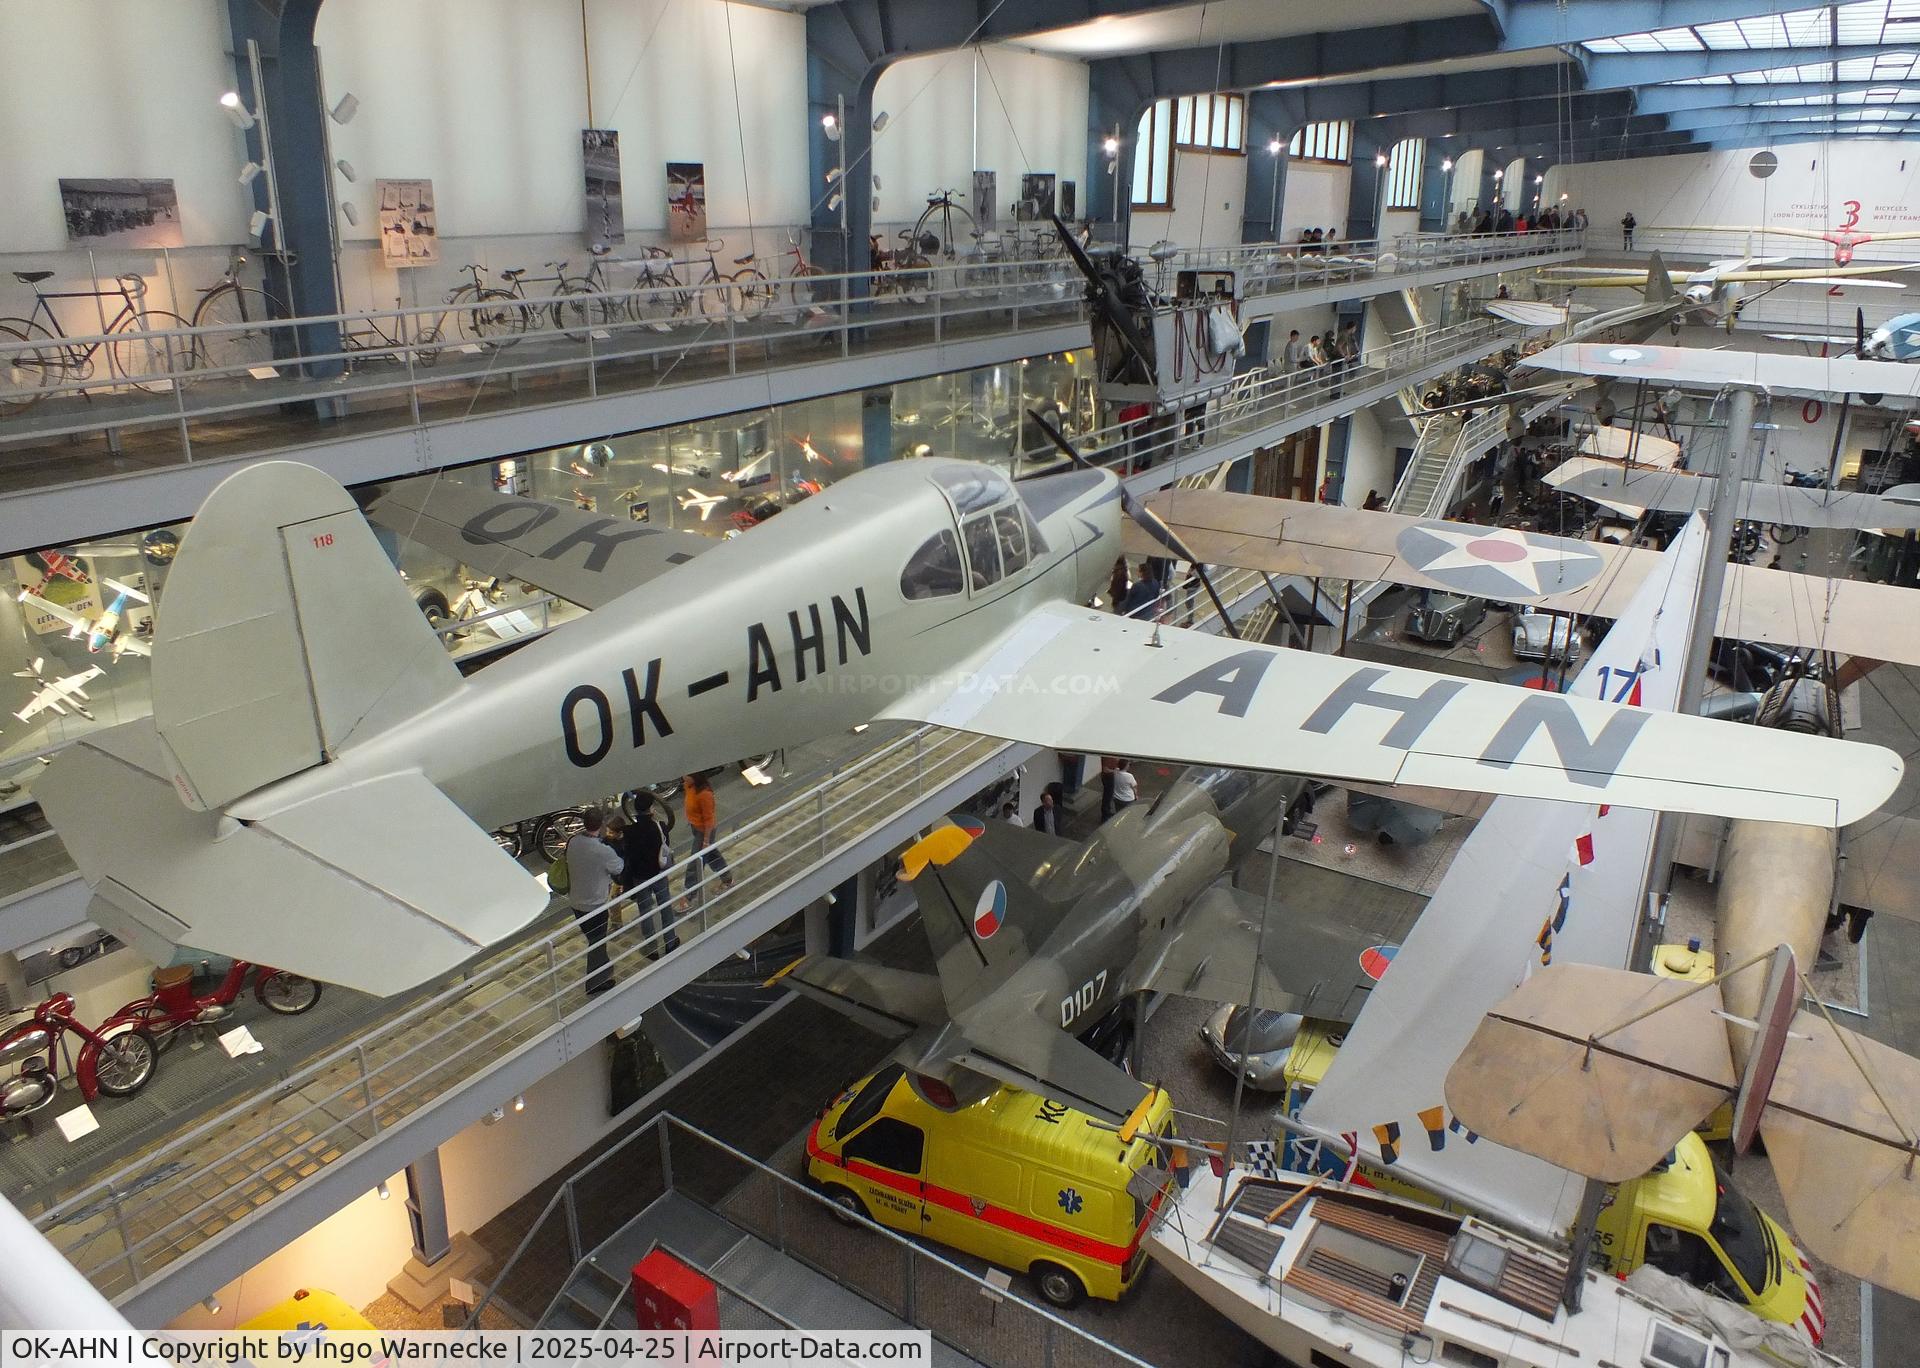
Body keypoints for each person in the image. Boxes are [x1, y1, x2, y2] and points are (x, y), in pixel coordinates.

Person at [564, 808, 624, 994]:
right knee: (597, 943)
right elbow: (619, 868)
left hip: (576, 902)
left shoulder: (573, 842)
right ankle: (595, 983)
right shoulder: (603, 851)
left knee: (594, 940)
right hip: (595, 905)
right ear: (602, 825)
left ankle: (605, 969)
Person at [620, 795, 678, 957]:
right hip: (658, 874)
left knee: (645, 911)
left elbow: (627, 854)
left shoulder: (629, 832)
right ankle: (670, 942)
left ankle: (651, 948)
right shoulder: (660, 827)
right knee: (665, 906)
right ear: (651, 809)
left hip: (640, 877)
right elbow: (667, 846)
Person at [682, 772, 731, 901]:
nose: (683, 777)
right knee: (712, 854)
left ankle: (689, 895)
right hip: (696, 828)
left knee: (696, 861)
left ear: (695, 776)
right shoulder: (689, 786)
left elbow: (709, 820)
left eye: (687, 775)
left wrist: (706, 840)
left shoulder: (704, 794)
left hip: (704, 832)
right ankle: (727, 878)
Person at [1099, 754, 1120, 821]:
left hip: (1110, 776)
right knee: (1107, 797)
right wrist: (1114, 771)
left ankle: (1108, 812)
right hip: (1107, 777)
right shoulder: (1106, 757)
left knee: (1109, 796)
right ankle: (1105, 816)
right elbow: (1105, 769)